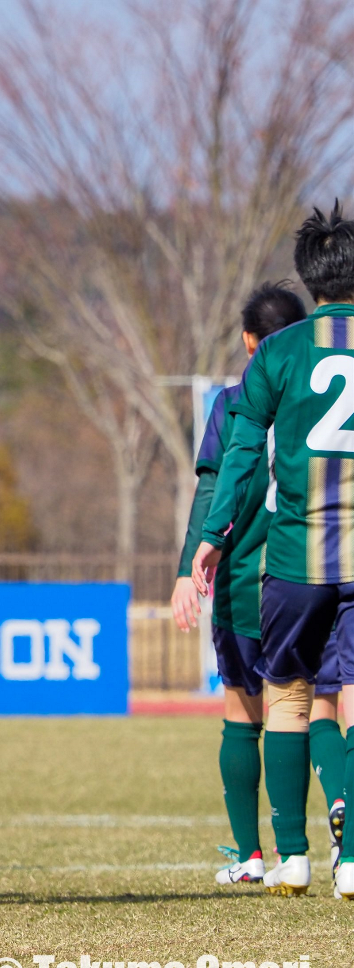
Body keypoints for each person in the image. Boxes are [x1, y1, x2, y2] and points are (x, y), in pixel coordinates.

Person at [194, 202, 354, 898]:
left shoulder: (279, 352)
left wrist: (209, 536)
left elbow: (238, 454)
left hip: (293, 558)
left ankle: (292, 855)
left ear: (308, 279)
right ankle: (352, 862)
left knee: (286, 695)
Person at [170, 283, 311, 887]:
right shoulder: (321, 391)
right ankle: (329, 833)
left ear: (250, 341)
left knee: (242, 711)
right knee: (319, 706)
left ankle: (254, 857)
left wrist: (186, 569)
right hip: (316, 572)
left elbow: (211, 492)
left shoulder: (233, 403)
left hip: (246, 583)